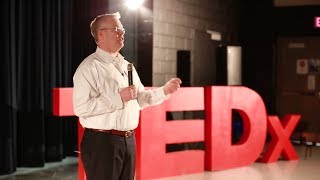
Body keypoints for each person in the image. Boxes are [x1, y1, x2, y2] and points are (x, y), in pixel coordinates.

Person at [72, 12, 182, 180]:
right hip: (102, 143)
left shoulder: (127, 65)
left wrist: (164, 91)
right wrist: (119, 98)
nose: (122, 32)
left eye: (122, 28)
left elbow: (140, 99)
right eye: (116, 29)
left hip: (128, 140)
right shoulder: (88, 68)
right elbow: (82, 108)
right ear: (101, 34)